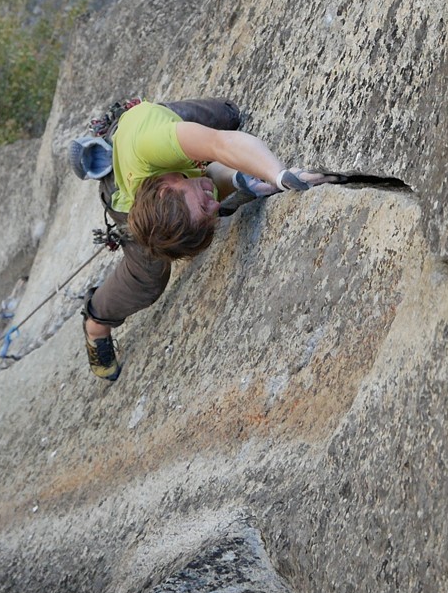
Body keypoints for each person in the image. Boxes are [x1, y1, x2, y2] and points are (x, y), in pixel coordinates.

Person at [69, 97, 325, 381]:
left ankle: (95, 322)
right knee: (150, 277)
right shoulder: (160, 193)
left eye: (206, 205)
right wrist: (239, 180)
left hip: (143, 137)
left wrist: (278, 175)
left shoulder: (152, 143)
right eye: (211, 209)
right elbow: (212, 181)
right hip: (126, 196)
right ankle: (97, 325)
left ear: (167, 190)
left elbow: (222, 144)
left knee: (228, 116)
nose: (215, 206)